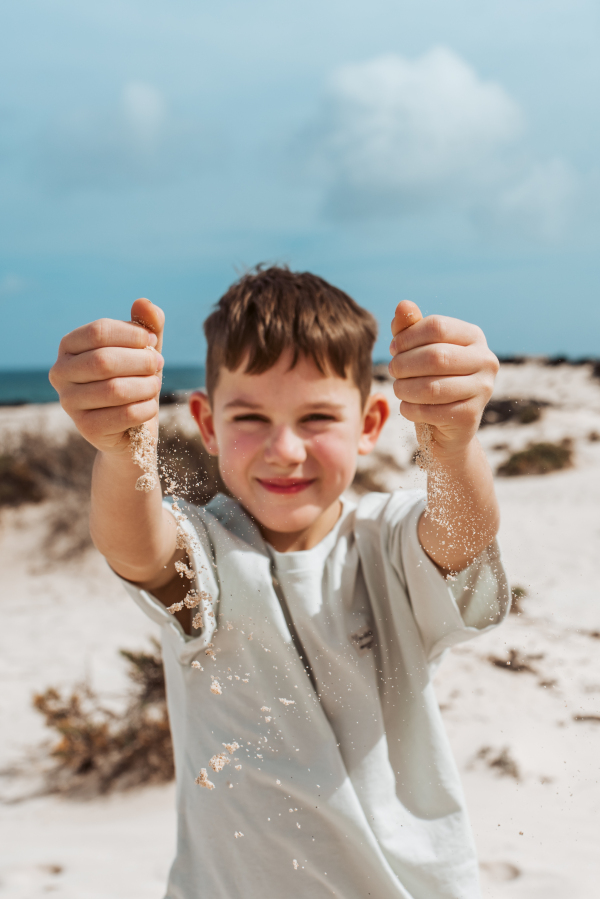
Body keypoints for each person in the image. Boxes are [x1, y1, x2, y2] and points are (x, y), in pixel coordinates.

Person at [49, 266, 509, 899]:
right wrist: (122, 449)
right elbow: (139, 547)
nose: (285, 449)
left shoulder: (389, 539)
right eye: (251, 418)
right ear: (207, 424)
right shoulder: (206, 547)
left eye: (318, 416)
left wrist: (453, 445)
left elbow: (460, 533)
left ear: (371, 423)